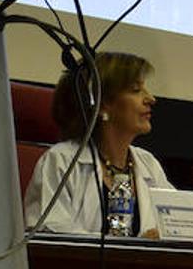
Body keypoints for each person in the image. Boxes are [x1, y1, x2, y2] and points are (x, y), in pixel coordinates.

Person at [24, 52, 173, 237]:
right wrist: (136, 245)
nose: (151, 98)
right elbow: (48, 235)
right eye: (136, 90)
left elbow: (179, 226)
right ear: (102, 103)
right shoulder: (62, 161)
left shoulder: (148, 164)